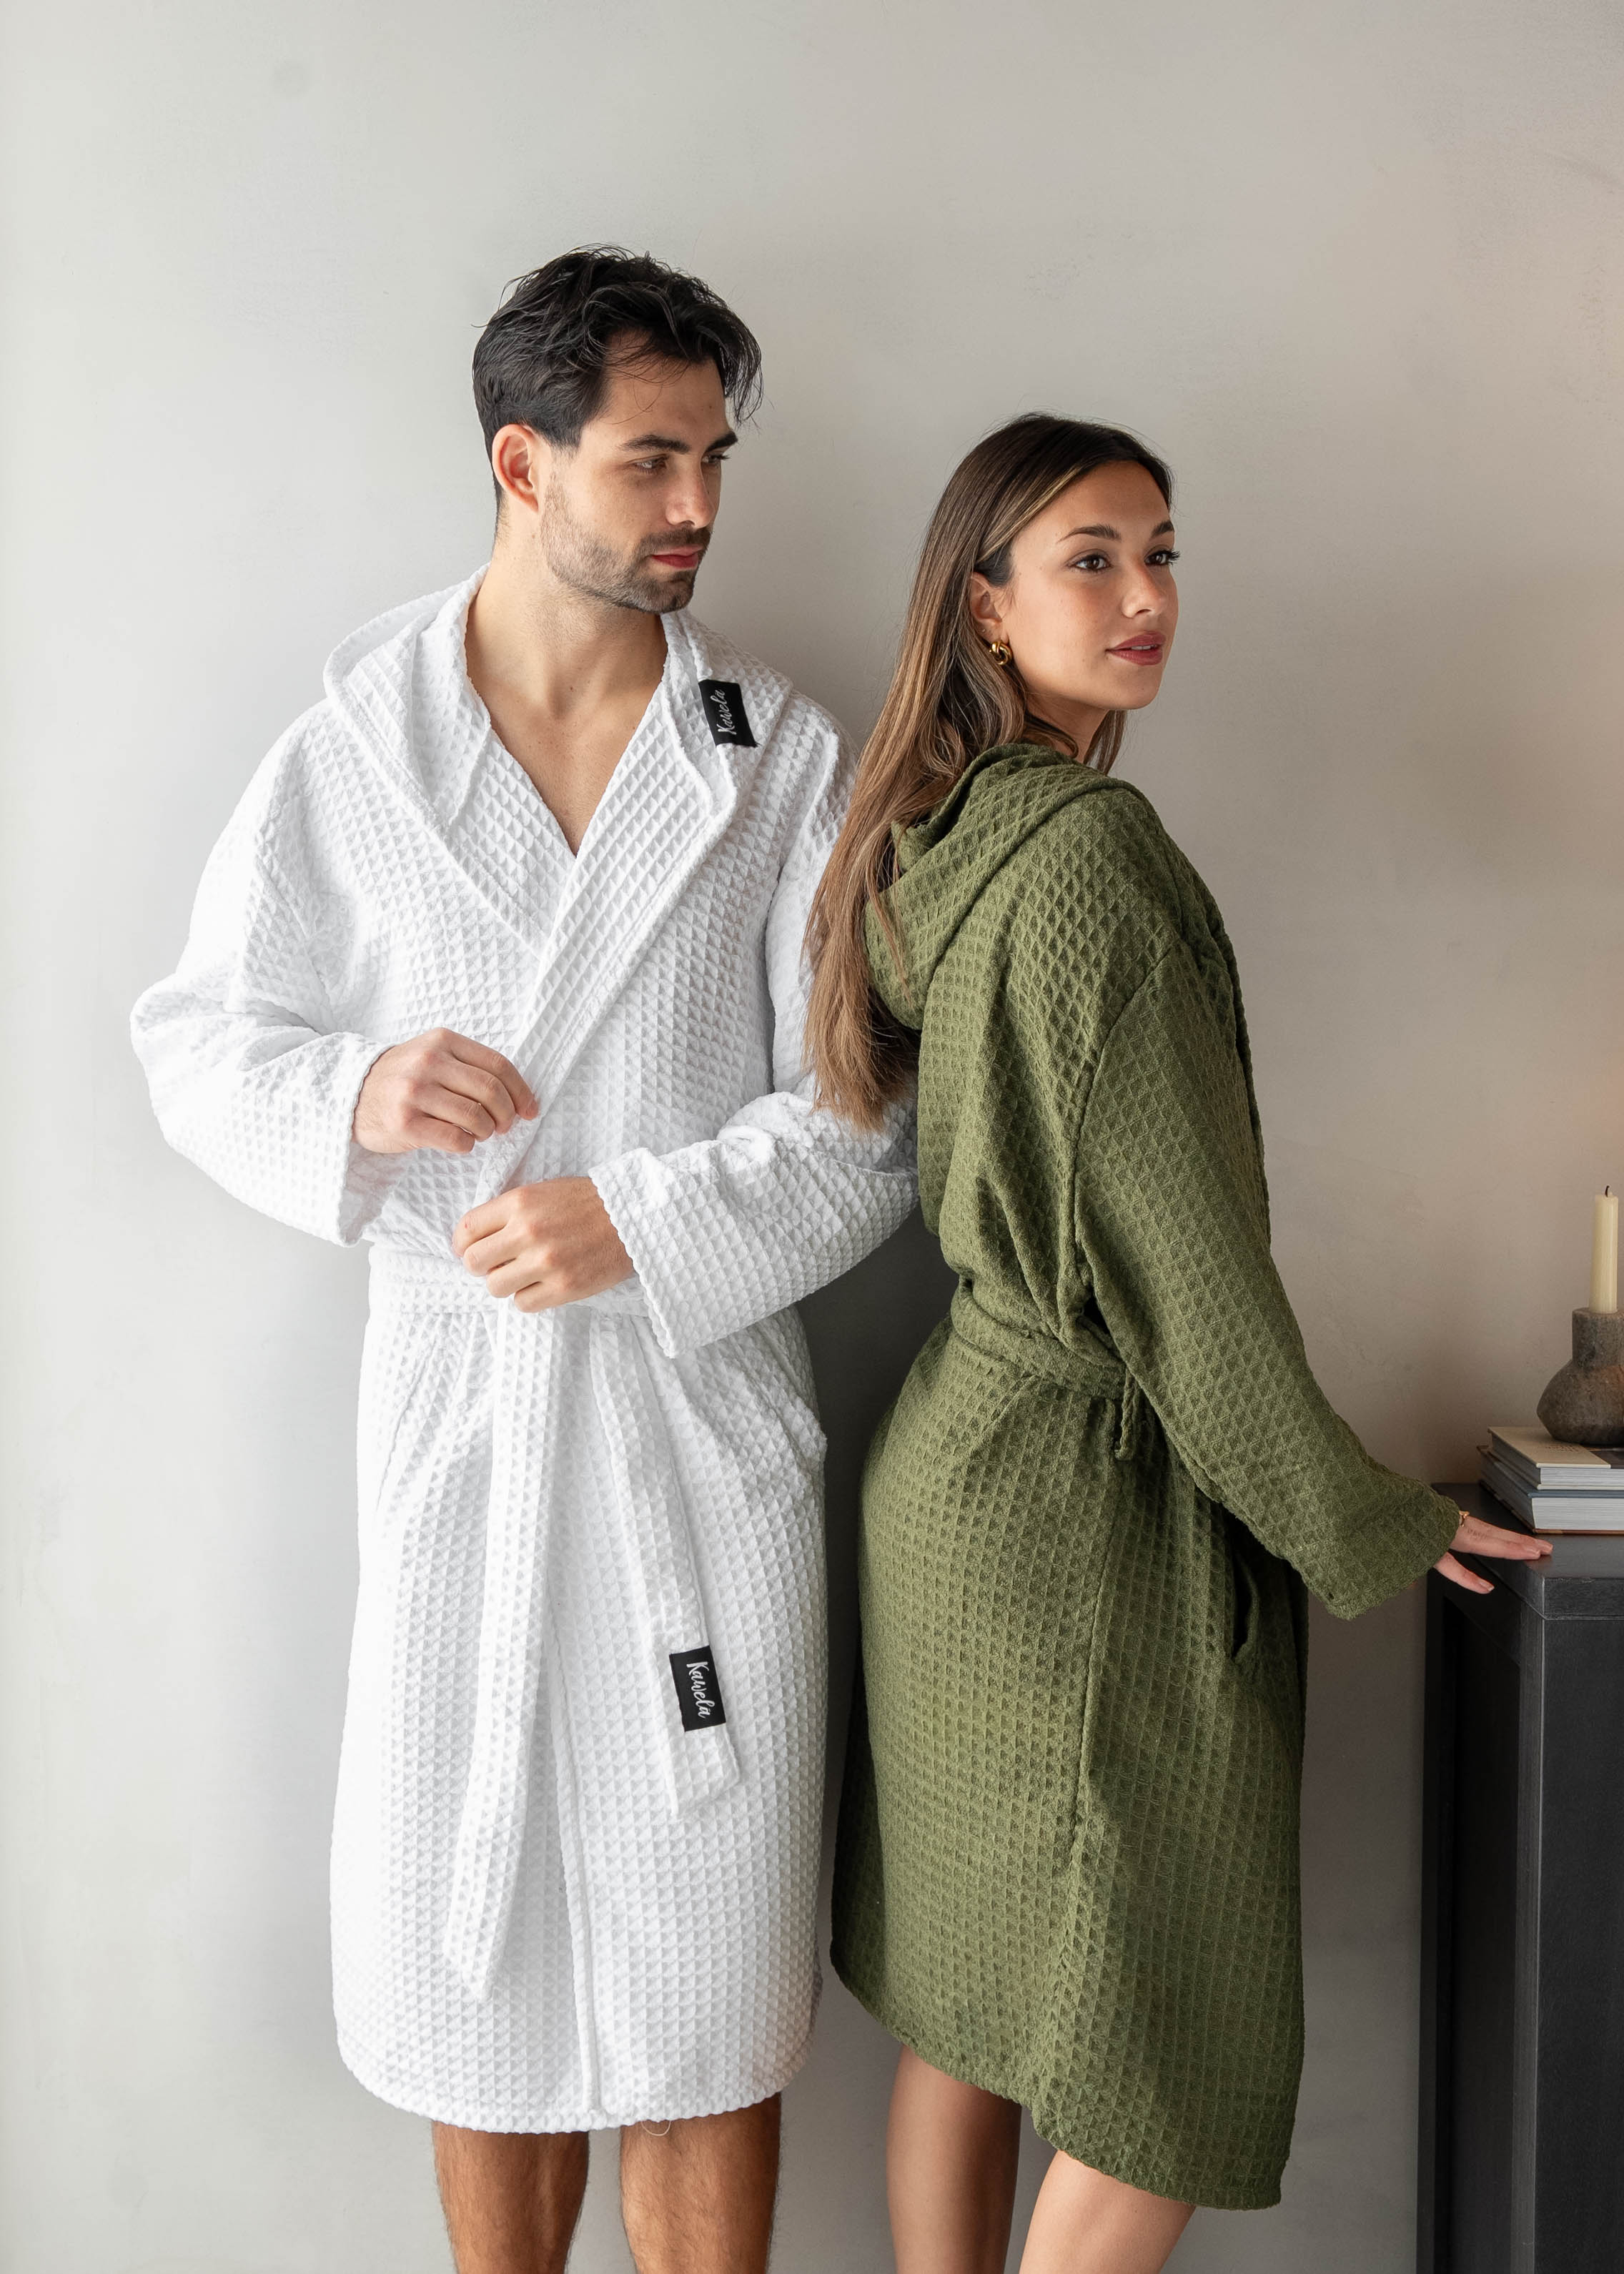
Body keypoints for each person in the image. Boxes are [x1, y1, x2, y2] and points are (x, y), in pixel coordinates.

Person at [131, 247, 914, 2274]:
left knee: (707, 1988)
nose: (699, 506)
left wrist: (637, 1221)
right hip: (465, 1431)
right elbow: (196, 1038)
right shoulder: (359, 752)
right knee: (474, 1972)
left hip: (692, 1436)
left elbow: (869, 1126)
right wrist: (355, 1087)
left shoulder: (774, 759)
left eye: (715, 459)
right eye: (652, 459)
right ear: (521, 462)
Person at [803, 413, 1548, 2273]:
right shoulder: (1091, 861)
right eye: (1092, 558)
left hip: (960, 1476)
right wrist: (1364, 1515)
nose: (1147, 597)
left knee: (971, 2006)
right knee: (1173, 2050)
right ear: (985, 603)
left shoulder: (938, 844)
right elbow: (1183, 1266)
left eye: (1163, 554)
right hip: (1081, 1513)